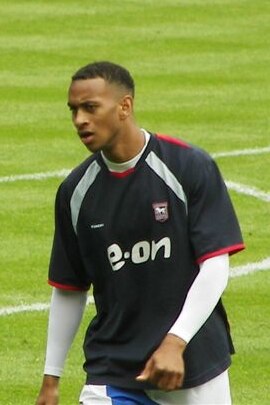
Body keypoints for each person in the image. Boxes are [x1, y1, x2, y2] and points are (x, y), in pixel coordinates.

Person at [36, 61, 245, 405]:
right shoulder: (75, 191)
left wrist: (175, 341)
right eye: (73, 110)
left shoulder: (188, 166)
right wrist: (51, 378)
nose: (79, 120)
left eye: (90, 108)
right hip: (113, 367)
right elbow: (70, 288)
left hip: (192, 366)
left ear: (125, 106)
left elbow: (215, 266)